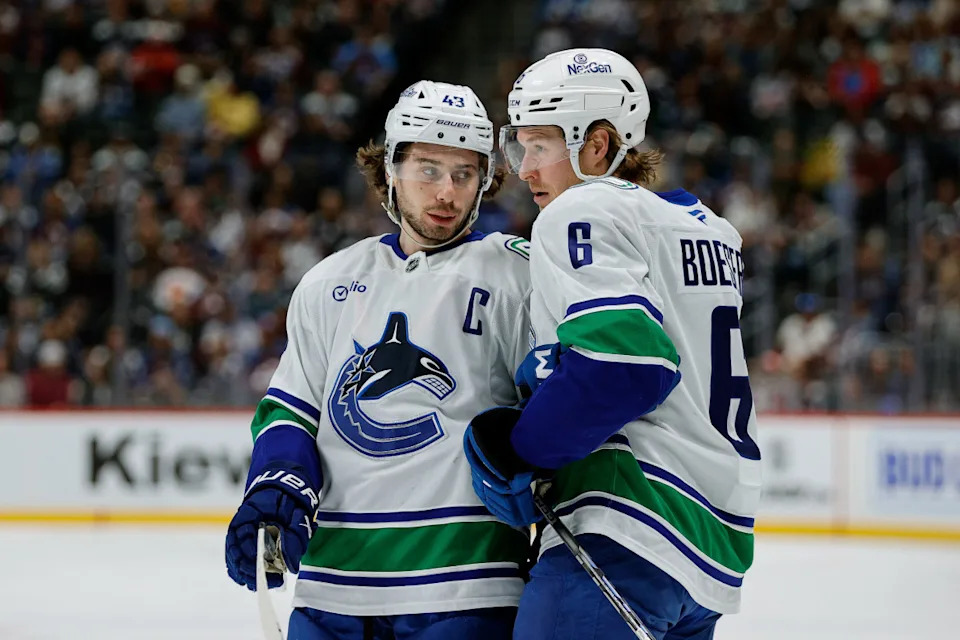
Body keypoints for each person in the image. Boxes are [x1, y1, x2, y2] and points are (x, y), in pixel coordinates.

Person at [463, 49, 761, 639]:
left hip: (627, 525)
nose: (524, 169)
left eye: (540, 146)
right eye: (519, 147)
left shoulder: (582, 208)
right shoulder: (706, 228)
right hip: (711, 546)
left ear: (597, 145)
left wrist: (524, 448)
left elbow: (628, 362)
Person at [225, 80, 534, 639]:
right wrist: (276, 483)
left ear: (486, 179)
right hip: (332, 586)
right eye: (428, 170)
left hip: (467, 581)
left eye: (464, 174)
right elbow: (293, 409)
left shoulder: (517, 275)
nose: (446, 193)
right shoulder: (331, 280)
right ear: (390, 168)